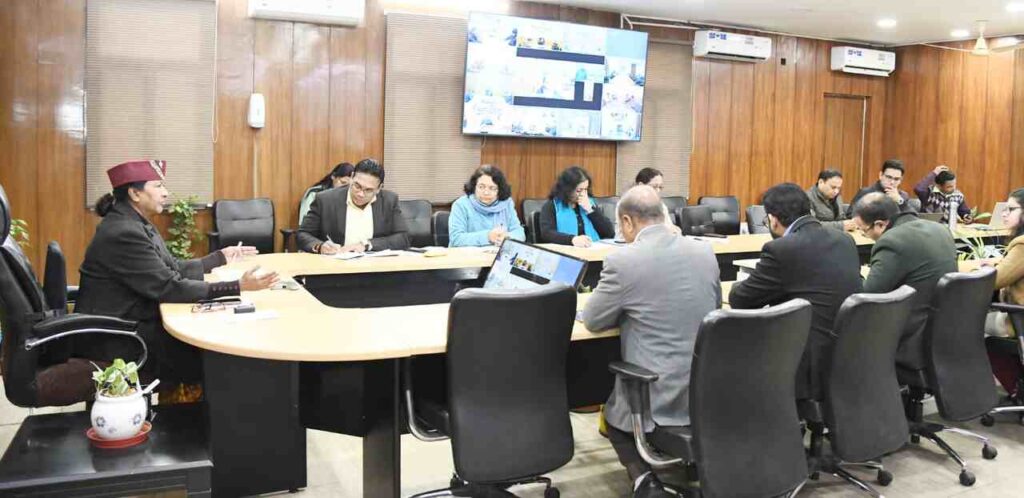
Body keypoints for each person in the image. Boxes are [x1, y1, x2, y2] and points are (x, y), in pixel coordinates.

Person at [76, 160, 279, 384]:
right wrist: (237, 286)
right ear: (135, 193)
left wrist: (220, 257)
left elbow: (170, 266)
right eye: (158, 186)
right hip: (118, 336)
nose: (165, 193)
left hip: (134, 321)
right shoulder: (124, 232)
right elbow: (169, 287)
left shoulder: (134, 221)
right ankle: (207, 403)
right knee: (214, 350)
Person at [583, 186, 720, 498]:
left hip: (658, 393)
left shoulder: (623, 260)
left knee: (614, 418)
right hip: (707, 388)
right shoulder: (704, 251)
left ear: (627, 222)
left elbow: (592, 320)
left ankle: (645, 482)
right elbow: (713, 308)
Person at [729, 183, 862, 399]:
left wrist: (739, 284)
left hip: (807, 360)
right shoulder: (844, 240)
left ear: (772, 219)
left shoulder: (782, 249)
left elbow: (741, 300)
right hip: (848, 351)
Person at [853, 192, 957, 370]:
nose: (865, 236)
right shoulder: (940, 229)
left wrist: (856, 274)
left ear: (880, 224)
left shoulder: (892, 241)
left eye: (864, 231)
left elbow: (868, 295)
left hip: (912, 337)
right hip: (946, 330)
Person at [298, 158, 410, 254]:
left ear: (379, 188)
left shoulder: (389, 201)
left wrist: (366, 245)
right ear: (352, 177)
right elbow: (303, 234)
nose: (360, 194)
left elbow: (403, 238)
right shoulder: (325, 200)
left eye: (368, 190)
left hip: (375, 267)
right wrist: (320, 246)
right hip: (335, 266)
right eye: (357, 186)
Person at [986, 188, 1024, 395]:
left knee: (968, 325)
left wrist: (983, 270)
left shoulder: (1022, 243)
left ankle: (1016, 390)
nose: (1005, 214)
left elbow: (996, 280)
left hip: (1019, 320)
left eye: (1011, 209)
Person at [448, 165, 526, 247]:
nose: (486, 192)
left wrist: (508, 237)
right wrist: (487, 237)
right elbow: (456, 238)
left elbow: (520, 233)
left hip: (497, 253)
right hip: (467, 254)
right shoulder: (461, 205)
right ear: (474, 187)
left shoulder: (507, 204)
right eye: (481, 187)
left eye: (492, 188)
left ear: (500, 190)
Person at [539, 166, 615, 247]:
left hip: (592, 248)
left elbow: (610, 233)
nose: (583, 194)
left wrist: (590, 210)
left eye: (585, 189)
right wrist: (572, 239)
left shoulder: (589, 203)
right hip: (567, 250)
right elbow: (547, 233)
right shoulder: (551, 206)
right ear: (567, 189)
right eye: (579, 190)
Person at [846, 159, 915, 218]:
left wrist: (900, 201)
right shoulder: (866, 192)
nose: (892, 182)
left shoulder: (902, 196)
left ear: (901, 180)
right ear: (880, 175)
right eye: (889, 177)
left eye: (896, 179)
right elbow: (850, 215)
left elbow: (913, 218)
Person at [629, 168, 681, 234]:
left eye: (660, 187)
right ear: (641, 185)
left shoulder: (661, 205)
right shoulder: (627, 205)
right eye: (654, 187)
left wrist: (676, 230)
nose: (658, 191)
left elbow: (669, 226)